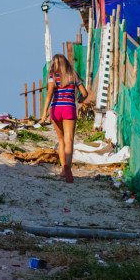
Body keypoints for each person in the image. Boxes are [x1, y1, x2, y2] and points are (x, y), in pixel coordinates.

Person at [40, 54, 90, 184]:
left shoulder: (52, 76)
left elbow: (49, 93)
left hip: (56, 109)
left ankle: (63, 169)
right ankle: (68, 166)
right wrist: (80, 99)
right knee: (69, 140)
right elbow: (85, 93)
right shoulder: (73, 75)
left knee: (61, 139)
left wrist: (44, 112)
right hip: (69, 108)